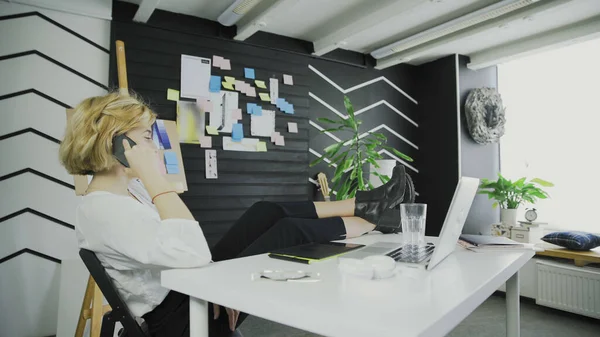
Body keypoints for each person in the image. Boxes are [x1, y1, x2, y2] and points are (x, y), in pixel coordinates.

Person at [59, 93, 409, 337]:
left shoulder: (126, 193)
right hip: (176, 316)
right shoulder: (102, 209)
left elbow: (186, 251)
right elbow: (193, 253)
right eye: (147, 138)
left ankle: (367, 205)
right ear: (117, 144)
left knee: (265, 211)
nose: (156, 147)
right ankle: (375, 220)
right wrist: (155, 177)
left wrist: (149, 181)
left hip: (187, 286)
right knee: (286, 232)